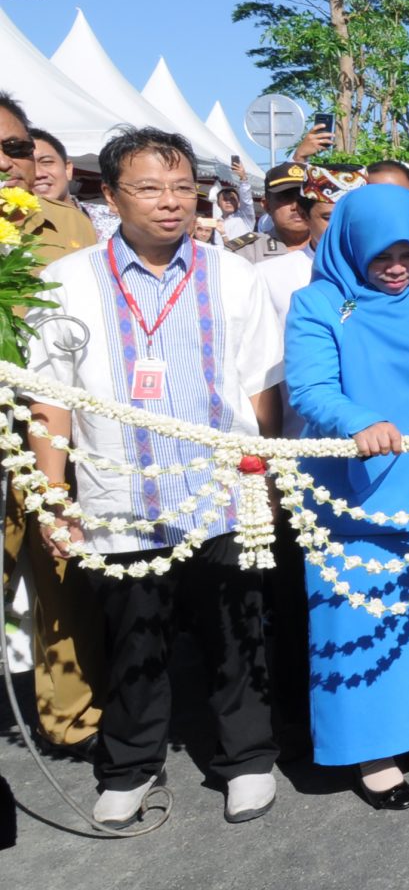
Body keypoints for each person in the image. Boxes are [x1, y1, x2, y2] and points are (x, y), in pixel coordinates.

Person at [25, 127, 282, 828]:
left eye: (181, 187)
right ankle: (132, 763)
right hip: (119, 499)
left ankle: (247, 758)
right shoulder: (67, 280)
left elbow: (263, 388)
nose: (170, 203)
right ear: (109, 195)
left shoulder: (233, 273)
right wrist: (52, 499)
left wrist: (267, 479)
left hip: (222, 493)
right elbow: (51, 401)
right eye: (148, 187)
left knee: (237, 630)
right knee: (134, 637)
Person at [285, 185, 409, 810]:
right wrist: (358, 421)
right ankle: (371, 748)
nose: (397, 267)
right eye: (380, 256)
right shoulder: (318, 303)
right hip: (359, 483)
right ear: (350, 248)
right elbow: (309, 388)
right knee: (362, 617)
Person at [0, 100, 104, 759]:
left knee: (60, 569)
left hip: (42, 426)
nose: (7, 161)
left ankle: (74, 719)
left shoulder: (66, 225)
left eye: (14, 147)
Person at [26, 126, 112, 245]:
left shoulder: (113, 221)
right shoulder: (10, 231)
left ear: (68, 169)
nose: (38, 173)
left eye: (46, 162)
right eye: (28, 167)